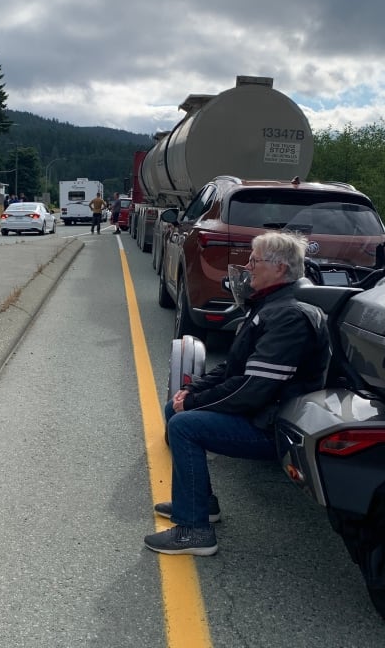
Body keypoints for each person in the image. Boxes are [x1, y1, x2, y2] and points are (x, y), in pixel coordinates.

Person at [144, 231, 330, 556]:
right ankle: (201, 503)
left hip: (272, 425)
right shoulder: (270, 307)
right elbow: (234, 368)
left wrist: (194, 402)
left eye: (254, 261)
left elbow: (253, 388)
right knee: (174, 410)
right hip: (263, 411)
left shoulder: (289, 317)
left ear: (280, 268)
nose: (247, 267)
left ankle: (195, 531)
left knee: (184, 425)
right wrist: (191, 389)